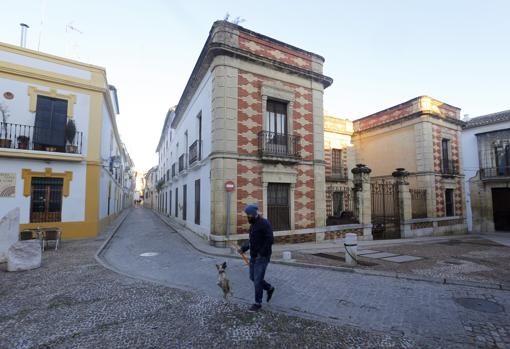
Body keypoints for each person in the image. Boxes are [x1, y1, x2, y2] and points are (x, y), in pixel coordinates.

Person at [239, 204, 275, 312]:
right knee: (253, 278)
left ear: (254, 215)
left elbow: (270, 240)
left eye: (249, 215)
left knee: (257, 280)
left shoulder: (265, 224)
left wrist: (262, 253)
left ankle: (257, 303)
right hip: (254, 256)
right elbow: (252, 241)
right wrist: (244, 249)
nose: (247, 218)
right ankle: (269, 288)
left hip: (262, 257)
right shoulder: (253, 225)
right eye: (247, 215)